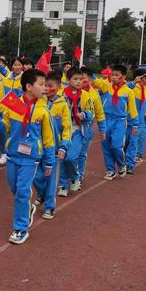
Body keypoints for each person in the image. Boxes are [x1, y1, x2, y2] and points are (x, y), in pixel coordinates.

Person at [0, 68, 55, 244]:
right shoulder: (13, 105)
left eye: (45, 85)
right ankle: (28, 209)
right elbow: (5, 129)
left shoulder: (43, 111)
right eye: (41, 85)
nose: (45, 88)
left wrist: (49, 162)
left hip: (31, 158)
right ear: (28, 86)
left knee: (23, 191)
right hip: (13, 155)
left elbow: (49, 140)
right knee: (15, 188)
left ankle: (20, 228)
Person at [33, 71, 70, 218]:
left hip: (53, 149)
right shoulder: (38, 102)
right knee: (36, 176)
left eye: (50, 86)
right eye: (44, 85)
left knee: (50, 178)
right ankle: (41, 193)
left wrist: (63, 146)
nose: (47, 89)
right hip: (36, 147)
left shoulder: (62, 105)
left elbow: (67, 127)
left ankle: (49, 206)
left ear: (59, 87)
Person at [92, 65, 138, 180]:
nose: (113, 77)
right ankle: (110, 170)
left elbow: (132, 109)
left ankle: (122, 165)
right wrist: (88, 73)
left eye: (117, 75)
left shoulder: (128, 92)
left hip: (120, 122)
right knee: (106, 146)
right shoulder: (107, 86)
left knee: (116, 146)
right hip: (106, 120)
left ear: (123, 77)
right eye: (112, 75)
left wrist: (135, 124)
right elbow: (95, 81)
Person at [57, 67, 94, 195]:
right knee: (62, 158)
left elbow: (92, 112)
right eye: (75, 79)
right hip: (63, 130)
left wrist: (84, 114)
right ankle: (62, 185)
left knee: (71, 158)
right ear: (68, 80)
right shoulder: (61, 94)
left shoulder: (85, 95)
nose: (78, 82)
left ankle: (75, 177)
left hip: (78, 129)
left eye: (80, 79)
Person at [78, 67, 106, 179]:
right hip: (71, 128)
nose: (80, 81)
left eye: (83, 78)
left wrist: (102, 130)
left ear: (90, 79)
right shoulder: (70, 92)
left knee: (81, 154)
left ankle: (78, 177)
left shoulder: (94, 95)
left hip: (87, 129)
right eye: (78, 78)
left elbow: (99, 113)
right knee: (70, 155)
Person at [126, 68, 146, 172]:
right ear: (142, 78)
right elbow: (124, 89)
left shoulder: (145, 90)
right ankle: (123, 161)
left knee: (133, 143)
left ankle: (130, 165)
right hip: (126, 121)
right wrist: (133, 83)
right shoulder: (132, 88)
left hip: (138, 123)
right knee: (125, 143)